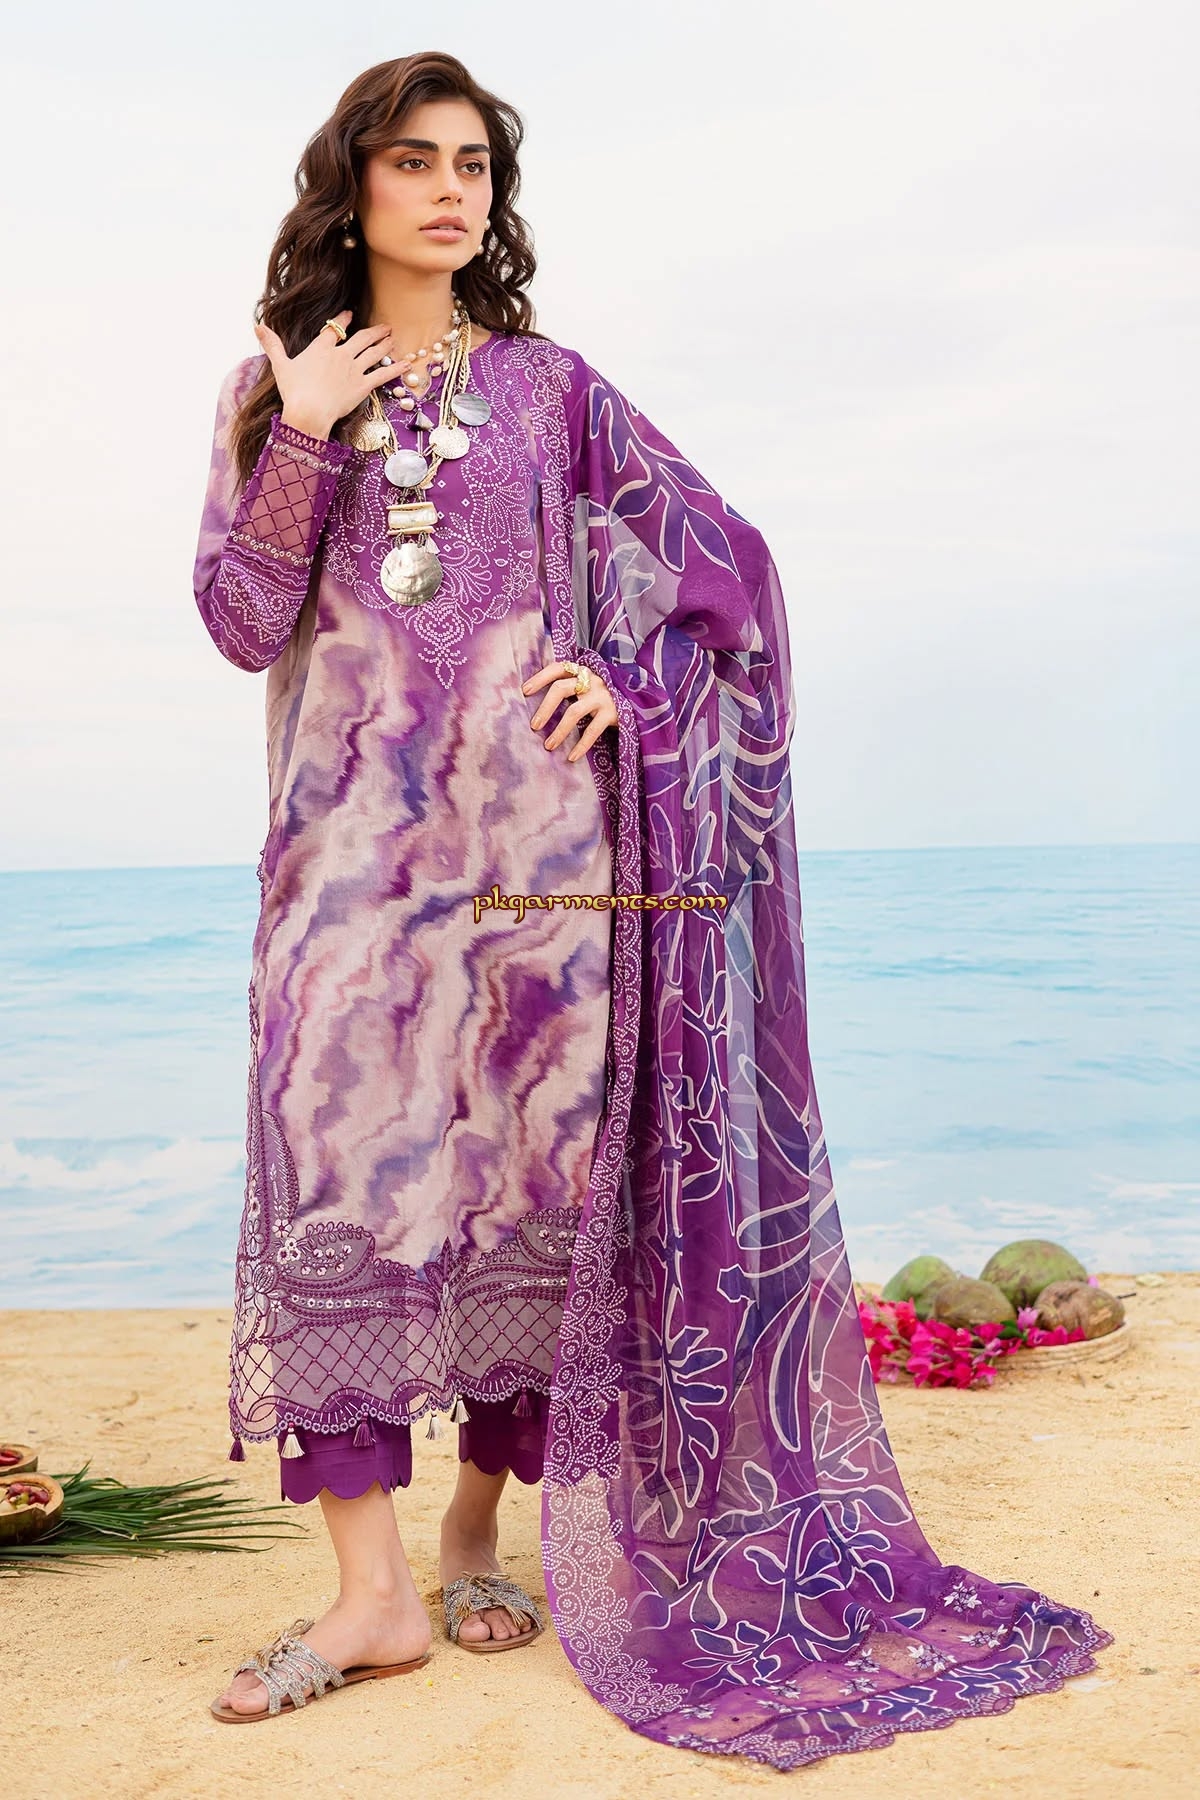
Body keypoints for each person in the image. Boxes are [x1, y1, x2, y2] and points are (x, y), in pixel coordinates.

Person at [193, 50, 1113, 1768]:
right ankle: (368, 1597)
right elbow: (243, 623)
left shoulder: (554, 391)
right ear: (353, 184)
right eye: (415, 161)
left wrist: (623, 682)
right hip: (349, 882)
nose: (450, 190)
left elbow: (725, 565)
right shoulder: (274, 391)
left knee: (531, 1197)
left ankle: (474, 1538)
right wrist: (305, 429)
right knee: (345, 1195)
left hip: (550, 875)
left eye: (473, 164)